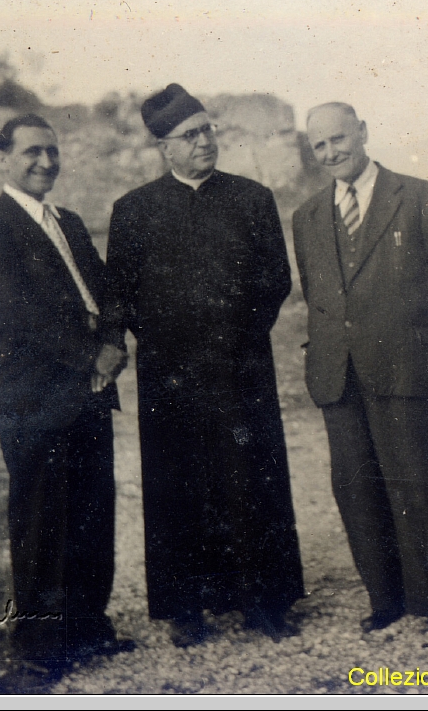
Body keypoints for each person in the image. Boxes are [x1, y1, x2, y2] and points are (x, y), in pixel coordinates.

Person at [104, 84, 303, 648]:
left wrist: (234, 338)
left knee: (251, 480)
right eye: (190, 136)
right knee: (178, 486)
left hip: (243, 367)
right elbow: (122, 294)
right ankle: (185, 609)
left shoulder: (252, 198)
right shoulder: (134, 210)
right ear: (164, 147)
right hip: (171, 374)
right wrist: (172, 343)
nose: (204, 143)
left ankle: (265, 602)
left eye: (208, 130)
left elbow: (276, 281)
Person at [292, 102, 428, 642]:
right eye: (319, 145)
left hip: (404, 368)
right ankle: (385, 599)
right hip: (338, 375)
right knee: (358, 489)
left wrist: (410, 338)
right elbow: (318, 293)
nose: (331, 152)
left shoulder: (419, 197)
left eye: (339, 139)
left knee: (419, 483)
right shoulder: (307, 216)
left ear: (364, 133)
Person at [0, 113, 131, 674]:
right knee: (40, 519)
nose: (45, 162)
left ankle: (89, 626)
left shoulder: (71, 223)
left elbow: (105, 293)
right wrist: (91, 355)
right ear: (2, 159)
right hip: (32, 398)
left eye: (53, 152)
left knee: (91, 512)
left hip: (88, 391)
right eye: (33, 152)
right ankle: (40, 645)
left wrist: (112, 343)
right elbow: (20, 315)